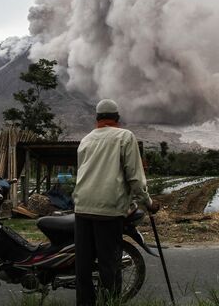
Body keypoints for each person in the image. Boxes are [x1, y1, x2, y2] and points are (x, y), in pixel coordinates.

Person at [72, 99, 159, 306]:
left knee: (83, 267)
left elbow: (80, 173)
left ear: (97, 119)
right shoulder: (125, 137)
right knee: (109, 265)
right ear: (117, 119)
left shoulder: (86, 140)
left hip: (82, 208)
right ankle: (109, 302)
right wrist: (148, 203)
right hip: (109, 210)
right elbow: (135, 178)